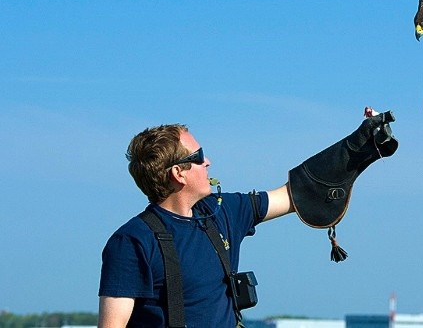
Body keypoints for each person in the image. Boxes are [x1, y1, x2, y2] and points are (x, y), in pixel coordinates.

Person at [99, 111, 397, 328]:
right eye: (198, 156)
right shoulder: (132, 242)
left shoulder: (221, 212)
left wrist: (355, 147)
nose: (207, 162)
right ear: (179, 173)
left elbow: (297, 194)